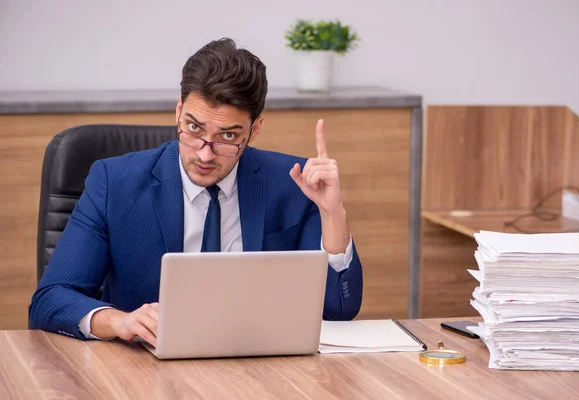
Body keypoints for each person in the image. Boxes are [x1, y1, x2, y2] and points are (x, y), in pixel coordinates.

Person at [29, 38, 363, 346]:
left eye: (228, 137)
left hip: (260, 368)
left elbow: (337, 310)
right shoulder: (115, 182)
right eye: (193, 128)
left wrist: (333, 215)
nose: (205, 154)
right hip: (143, 372)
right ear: (178, 111)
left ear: (254, 129)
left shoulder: (293, 183)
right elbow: (51, 299)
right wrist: (118, 321)